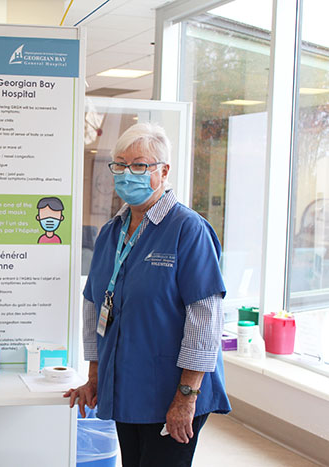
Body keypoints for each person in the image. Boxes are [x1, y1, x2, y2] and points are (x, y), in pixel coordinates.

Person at [64, 123, 230, 467]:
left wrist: (186, 397)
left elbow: (205, 318)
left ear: (163, 171)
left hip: (175, 390)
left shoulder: (188, 230)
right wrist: (94, 377)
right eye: (120, 165)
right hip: (127, 386)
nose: (128, 174)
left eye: (139, 165)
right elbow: (94, 304)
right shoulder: (112, 232)